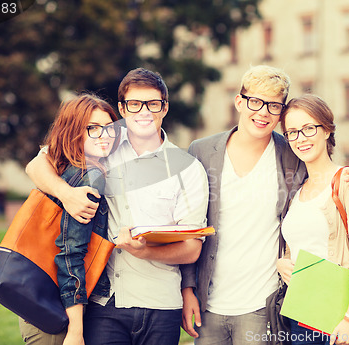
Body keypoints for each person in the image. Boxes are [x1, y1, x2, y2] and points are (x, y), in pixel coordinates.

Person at [180, 65, 349, 345]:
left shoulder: (290, 151)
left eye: (273, 106)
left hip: (265, 305)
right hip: (210, 302)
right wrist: (188, 288)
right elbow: (189, 225)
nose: (262, 113)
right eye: (256, 102)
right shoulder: (201, 152)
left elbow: (335, 182)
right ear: (239, 102)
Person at [25, 68, 209, 345]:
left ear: (164, 108)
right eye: (134, 104)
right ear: (122, 109)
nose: (144, 112)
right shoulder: (102, 147)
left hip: (161, 305)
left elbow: (192, 249)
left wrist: (144, 251)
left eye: (153, 104)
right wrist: (66, 194)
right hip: (104, 304)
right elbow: (38, 164)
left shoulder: (188, 169)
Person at [19, 93, 120, 345]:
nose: (104, 136)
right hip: (60, 313)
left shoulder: (61, 167)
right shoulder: (89, 176)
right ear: (74, 131)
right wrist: (76, 330)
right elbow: (70, 255)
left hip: (38, 298)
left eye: (109, 128)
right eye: (93, 128)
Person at [277, 94, 349, 345]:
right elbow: (301, 243)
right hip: (300, 312)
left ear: (327, 130)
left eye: (308, 128)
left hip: (336, 316)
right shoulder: (297, 189)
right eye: (292, 132)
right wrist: (284, 263)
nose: (301, 138)